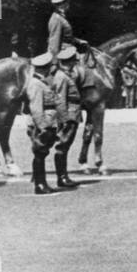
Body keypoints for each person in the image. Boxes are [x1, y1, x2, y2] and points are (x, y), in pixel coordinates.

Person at [25, 52, 61, 195]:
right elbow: (36, 108)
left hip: (48, 122)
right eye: (48, 67)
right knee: (39, 153)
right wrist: (43, 127)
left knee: (42, 152)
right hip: (42, 124)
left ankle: (42, 182)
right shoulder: (36, 84)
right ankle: (39, 184)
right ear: (44, 68)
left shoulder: (41, 83)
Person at [53, 47, 84, 188]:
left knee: (65, 146)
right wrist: (64, 119)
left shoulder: (66, 75)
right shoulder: (62, 77)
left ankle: (63, 176)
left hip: (73, 114)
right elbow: (60, 100)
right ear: (69, 62)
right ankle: (62, 177)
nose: (75, 63)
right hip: (69, 116)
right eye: (73, 61)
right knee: (62, 145)